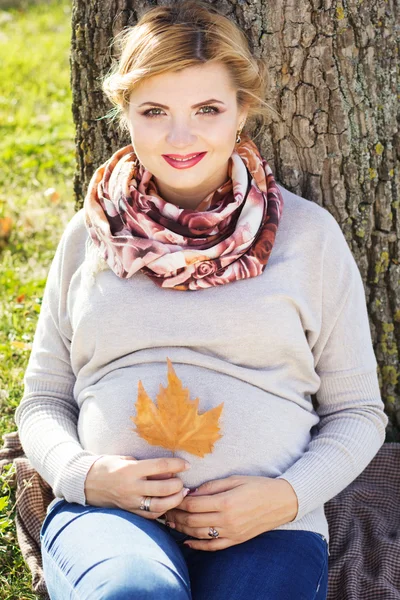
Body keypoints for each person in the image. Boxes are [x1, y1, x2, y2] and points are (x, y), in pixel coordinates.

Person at [14, 1, 388, 599]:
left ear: (242, 111)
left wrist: (286, 497)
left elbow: (358, 413)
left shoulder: (309, 236)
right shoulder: (89, 235)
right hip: (111, 520)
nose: (180, 136)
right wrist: (85, 477)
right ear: (125, 114)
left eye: (207, 109)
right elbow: (41, 403)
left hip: (269, 525)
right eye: (155, 111)